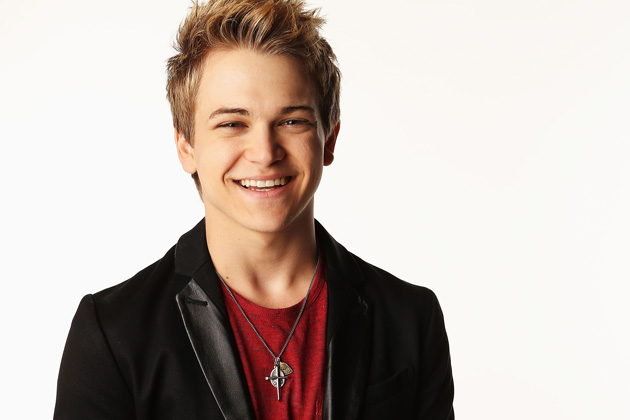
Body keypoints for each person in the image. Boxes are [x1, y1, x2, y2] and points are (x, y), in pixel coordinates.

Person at [53, 0, 454, 419]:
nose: (264, 153)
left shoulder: (411, 319)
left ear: (329, 139)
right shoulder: (112, 333)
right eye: (232, 123)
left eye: (292, 121)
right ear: (186, 146)